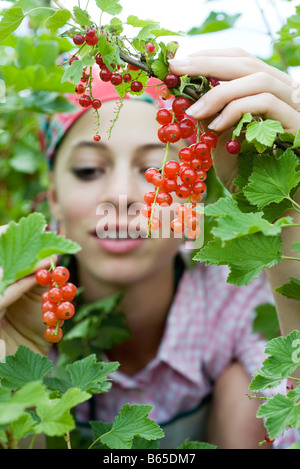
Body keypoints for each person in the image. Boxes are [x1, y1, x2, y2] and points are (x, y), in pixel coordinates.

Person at [0, 47, 299, 449]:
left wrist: (289, 223)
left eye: (155, 170)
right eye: (89, 170)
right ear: (53, 197)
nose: (122, 196)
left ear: (196, 195)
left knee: (239, 385)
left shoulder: (238, 300)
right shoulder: (18, 307)